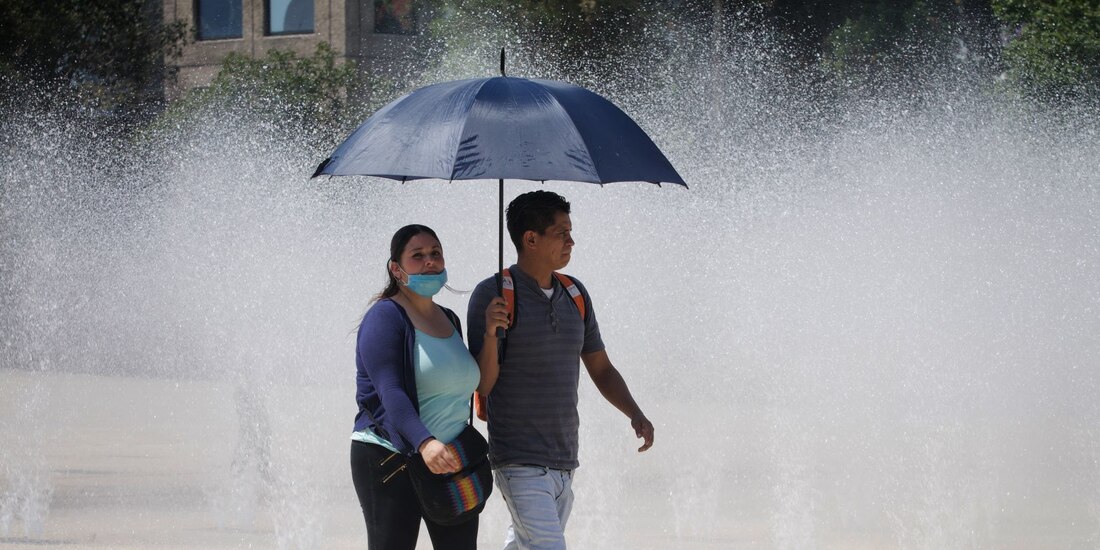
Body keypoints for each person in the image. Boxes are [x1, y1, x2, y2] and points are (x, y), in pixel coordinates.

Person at [467, 191, 656, 550]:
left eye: (570, 232)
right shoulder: (493, 295)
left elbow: (601, 368)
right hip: (519, 458)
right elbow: (484, 383)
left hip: (564, 458)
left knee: (524, 544)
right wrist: (491, 332)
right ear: (531, 239)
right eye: (562, 233)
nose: (571, 241)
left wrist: (635, 412)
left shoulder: (575, 293)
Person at [350, 224, 493, 550]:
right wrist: (425, 442)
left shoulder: (450, 319)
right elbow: (391, 393)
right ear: (396, 269)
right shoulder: (386, 317)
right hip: (389, 456)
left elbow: (480, 383)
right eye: (418, 256)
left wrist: (492, 333)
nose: (430, 261)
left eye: (435, 254)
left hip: (450, 459)